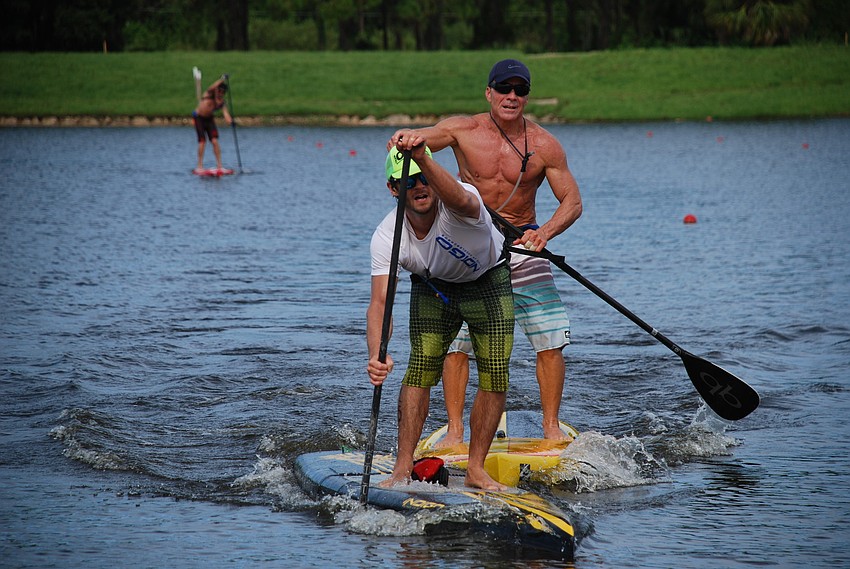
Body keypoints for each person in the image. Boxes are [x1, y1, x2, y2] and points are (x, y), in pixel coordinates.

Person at [388, 59, 583, 444]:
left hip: (522, 244)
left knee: (550, 338)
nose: (512, 96)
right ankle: (456, 431)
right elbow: (428, 138)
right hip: (470, 247)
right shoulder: (464, 130)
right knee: (456, 342)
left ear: (526, 96)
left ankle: (550, 428)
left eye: (520, 90)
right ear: (489, 92)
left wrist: (544, 233)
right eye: (504, 88)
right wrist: (407, 136)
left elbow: (572, 202)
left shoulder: (544, 145)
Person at [366, 135, 514, 490]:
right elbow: (380, 302)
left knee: (494, 371)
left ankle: (476, 469)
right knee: (421, 366)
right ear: (393, 189)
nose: (419, 186)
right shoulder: (387, 235)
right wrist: (376, 354)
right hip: (433, 287)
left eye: (424, 177)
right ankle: (403, 466)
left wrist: (423, 160)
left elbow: (461, 196)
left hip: (487, 280)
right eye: (408, 180)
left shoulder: (462, 201)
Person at [192, 75, 232, 172]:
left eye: (222, 92)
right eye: (219, 91)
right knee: (202, 141)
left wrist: (230, 121)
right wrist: (222, 79)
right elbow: (213, 86)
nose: (220, 93)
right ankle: (200, 166)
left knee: (214, 141)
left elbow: (226, 115)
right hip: (199, 118)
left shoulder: (221, 102)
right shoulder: (209, 93)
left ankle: (219, 166)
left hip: (209, 119)